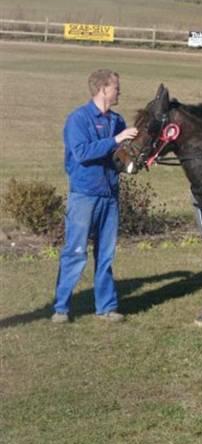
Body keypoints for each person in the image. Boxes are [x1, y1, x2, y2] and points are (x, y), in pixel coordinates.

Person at [51, 69, 138, 324]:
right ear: (102, 89)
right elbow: (81, 153)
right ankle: (61, 308)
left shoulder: (117, 120)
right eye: (116, 88)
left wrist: (133, 162)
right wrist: (116, 139)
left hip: (110, 196)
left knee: (106, 254)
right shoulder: (78, 119)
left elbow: (120, 154)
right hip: (84, 195)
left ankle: (107, 307)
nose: (119, 91)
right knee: (75, 252)